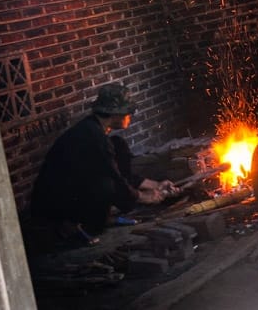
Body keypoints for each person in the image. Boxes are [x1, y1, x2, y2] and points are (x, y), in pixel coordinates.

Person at [29, 83, 176, 243]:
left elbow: (120, 173)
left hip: (73, 190)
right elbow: (115, 178)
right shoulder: (94, 138)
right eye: (127, 112)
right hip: (56, 204)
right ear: (115, 114)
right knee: (106, 185)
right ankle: (81, 228)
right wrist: (144, 197)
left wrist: (155, 185)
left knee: (118, 144)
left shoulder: (97, 130)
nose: (129, 116)